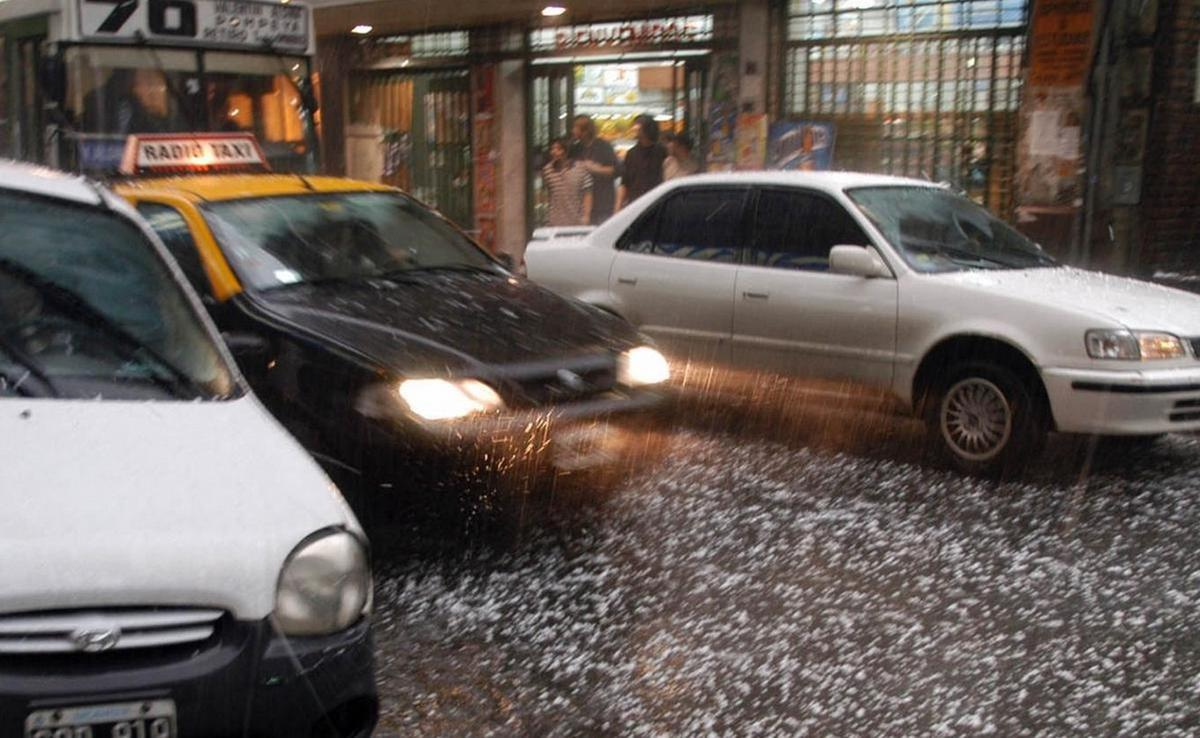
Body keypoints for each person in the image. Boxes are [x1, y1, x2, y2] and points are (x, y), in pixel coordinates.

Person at [570, 115, 618, 224]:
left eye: (575, 127)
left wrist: (595, 169)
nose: (572, 131)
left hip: (602, 201)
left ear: (585, 131)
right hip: (580, 204)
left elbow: (615, 171)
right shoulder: (574, 148)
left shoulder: (604, 146)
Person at [616, 115, 667, 211]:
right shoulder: (631, 153)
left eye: (637, 127)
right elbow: (625, 182)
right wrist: (618, 205)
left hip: (656, 202)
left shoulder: (662, 152)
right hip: (635, 203)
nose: (634, 129)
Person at [542, 138, 593, 227]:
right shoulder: (547, 170)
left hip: (576, 220)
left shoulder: (580, 168)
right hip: (555, 221)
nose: (553, 152)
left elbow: (588, 193)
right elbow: (548, 194)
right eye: (552, 149)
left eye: (558, 149)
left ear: (566, 151)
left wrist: (586, 216)